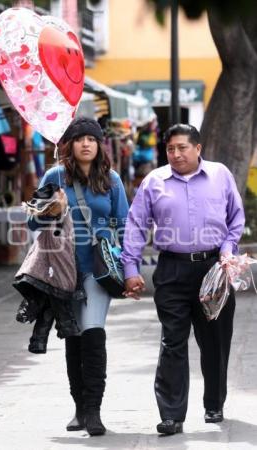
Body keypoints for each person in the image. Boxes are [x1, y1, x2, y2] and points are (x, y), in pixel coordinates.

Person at [121, 124, 245, 435]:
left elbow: (236, 219)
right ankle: (171, 415)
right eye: (171, 149)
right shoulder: (154, 182)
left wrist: (228, 251)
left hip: (214, 270)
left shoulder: (220, 175)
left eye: (182, 148)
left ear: (198, 148)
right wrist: (131, 269)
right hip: (172, 271)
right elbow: (136, 226)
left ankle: (214, 403)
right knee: (172, 341)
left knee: (215, 341)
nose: (176, 154)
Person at [28, 117, 129, 436]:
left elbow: (125, 225)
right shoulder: (54, 176)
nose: (86, 143)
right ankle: (80, 408)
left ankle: (94, 411)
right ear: (69, 145)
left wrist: (126, 264)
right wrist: (50, 210)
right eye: (80, 138)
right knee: (73, 337)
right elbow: (32, 224)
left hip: (98, 269)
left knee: (93, 333)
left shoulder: (111, 180)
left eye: (92, 139)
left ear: (100, 145)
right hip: (62, 267)